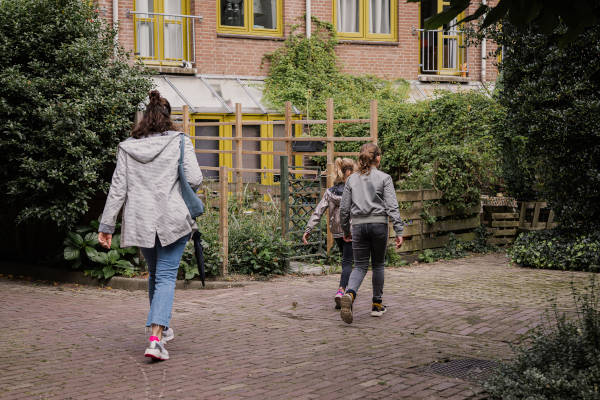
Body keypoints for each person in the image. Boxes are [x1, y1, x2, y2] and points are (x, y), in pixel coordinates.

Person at [97, 90, 203, 361]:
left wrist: (106, 225)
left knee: (156, 275)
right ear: (169, 119)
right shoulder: (180, 141)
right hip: (172, 218)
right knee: (166, 277)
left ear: (144, 118)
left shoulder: (127, 147)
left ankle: (162, 327)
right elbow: (194, 178)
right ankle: (155, 339)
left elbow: (118, 188)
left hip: (141, 221)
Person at [338, 143, 403, 324]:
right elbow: (392, 206)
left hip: (358, 226)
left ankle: (350, 293)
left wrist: (345, 230)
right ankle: (376, 304)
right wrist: (399, 229)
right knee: (378, 264)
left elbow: (344, 209)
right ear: (378, 158)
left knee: (359, 266)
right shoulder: (385, 178)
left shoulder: (351, 180)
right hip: (379, 225)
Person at [303, 158, 357, 309]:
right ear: (349, 173)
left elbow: (318, 211)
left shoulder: (329, 192)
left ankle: (344, 291)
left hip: (337, 232)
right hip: (351, 231)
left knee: (346, 260)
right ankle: (342, 292)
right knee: (348, 263)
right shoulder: (354, 191)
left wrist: (308, 229)